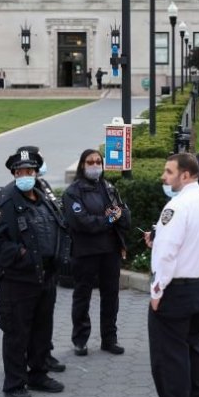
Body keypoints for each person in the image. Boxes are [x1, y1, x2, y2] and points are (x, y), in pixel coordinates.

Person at [0, 149, 66, 397]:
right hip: (18, 282)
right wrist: (23, 255)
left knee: (42, 330)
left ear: (36, 172)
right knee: (17, 333)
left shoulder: (43, 196)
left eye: (30, 171)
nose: (25, 175)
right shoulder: (7, 200)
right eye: (20, 171)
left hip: (45, 277)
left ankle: (38, 374)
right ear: (14, 173)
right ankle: (14, 383)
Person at [149, 153, 199, 397]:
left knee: (169, 361)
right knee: (193, 350)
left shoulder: (176, 206)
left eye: (169, 172)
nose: (164, 177)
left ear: (186, 175)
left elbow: (166, 253)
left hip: (176, 293)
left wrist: (157, 291)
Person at [62, 149, 130, 356]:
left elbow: (123, 214)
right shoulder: (73, 192)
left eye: (98, 161)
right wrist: (109, 219)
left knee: (111, 295)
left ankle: (109, 338)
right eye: (90, 162)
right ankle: (80, 340)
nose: (94, 165)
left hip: (110, 250)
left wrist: (118, 215)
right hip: (85, 251)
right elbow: (82, 222)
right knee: (83, 295)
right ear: (82, 165)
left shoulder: (108, 187)